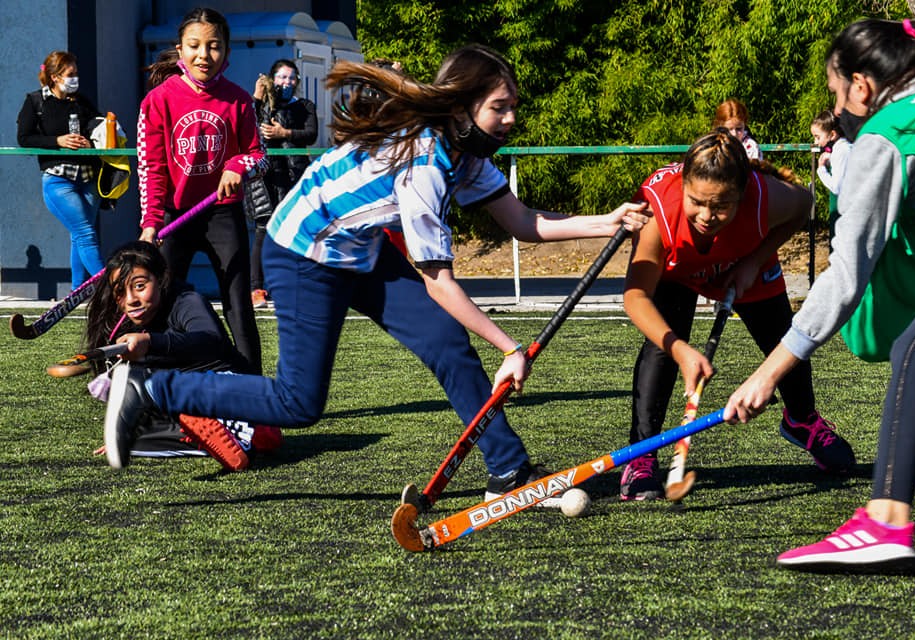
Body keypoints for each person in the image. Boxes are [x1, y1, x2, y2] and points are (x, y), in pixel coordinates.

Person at [102, 44, 648, 504]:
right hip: (304, 252)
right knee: (298, 403)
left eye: (513, 107)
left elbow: (524, 222)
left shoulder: (464, 152)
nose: (510, 119)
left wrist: (608, 222)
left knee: (447, 343)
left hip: (357, 249)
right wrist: (510, 346)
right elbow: (439, 281)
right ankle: (152, 388)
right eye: (499, 108)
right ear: (463, 108)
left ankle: (507, 470)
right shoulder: (426, 163)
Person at [726, 17, 915, 571]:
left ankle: (885, 522)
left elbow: (845, 276)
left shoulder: (887, 136)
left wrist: (768, 373)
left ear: (861, 85)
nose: (837, 109)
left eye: (835, 93)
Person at [620, 129, 855, 501]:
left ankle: (802, 420)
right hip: (676, 271)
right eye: (697, 202)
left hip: (743, 259)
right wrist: (681, 350)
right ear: (683, 185)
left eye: (721, 205)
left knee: (784, 338)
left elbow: (803, 204)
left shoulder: (765, 197)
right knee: (661, 346)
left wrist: (754, 261)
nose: (707, 216)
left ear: (743, 193)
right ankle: (641, 453)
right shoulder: (656, 210)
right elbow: (635, 296)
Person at [137, 7, 269, 374]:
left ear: (226, 51)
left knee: (238, 303)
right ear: (180, 49)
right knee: (160, 303)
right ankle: (154, 383)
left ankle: (252, 387)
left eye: (214, 46)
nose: (204, 55)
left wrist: (238, 165)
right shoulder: (157, 100)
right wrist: (150, 223)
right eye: (194, 46)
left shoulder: (238, 100)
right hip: (174, 216)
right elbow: (152, 168)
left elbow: (260, 156)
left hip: (222, 214)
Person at [86, 241, 282, 470]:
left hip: (229, 387)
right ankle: (217, 434)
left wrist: (151, 342)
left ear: (161, 279)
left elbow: (210, 339)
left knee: (265, 434)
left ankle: (237, 432)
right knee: (135, 433)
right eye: (120, 292)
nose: (130, 300)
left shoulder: (186, 301)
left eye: (139, 286)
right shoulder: (126, 324)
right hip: (191, 404)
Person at [17, 51, 104, 290]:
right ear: (55, 77)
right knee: (85, 233)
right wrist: (58, 141)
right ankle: (111, 288)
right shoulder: (35, 101)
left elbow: (99, 127)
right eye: (70, 74)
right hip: (58, 180)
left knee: (79, 236)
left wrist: (91, 142)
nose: (75, 78)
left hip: (88, 178)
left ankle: (77, 291)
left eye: (76, 73)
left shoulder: (81, 101)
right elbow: (24, 138)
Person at [248, 59, 318, 309]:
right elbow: (245, 125)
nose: (286, 83)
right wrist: (257, 98)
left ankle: (294, 286)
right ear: (272, 78)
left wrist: (284, 133)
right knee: (263, 230)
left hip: (296, 174)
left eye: (291, 78)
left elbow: (311, 134)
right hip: (267, 176)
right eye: (281, 77)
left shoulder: (304, 106)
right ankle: (257, 288)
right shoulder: (261, 105)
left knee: (296, 229)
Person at [809, 109, 850, 242]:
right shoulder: (843, 148)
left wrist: (821, 170)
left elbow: (837, 187)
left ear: (832, 134)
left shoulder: (841, 150)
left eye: (818, 137)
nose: (815, 142)